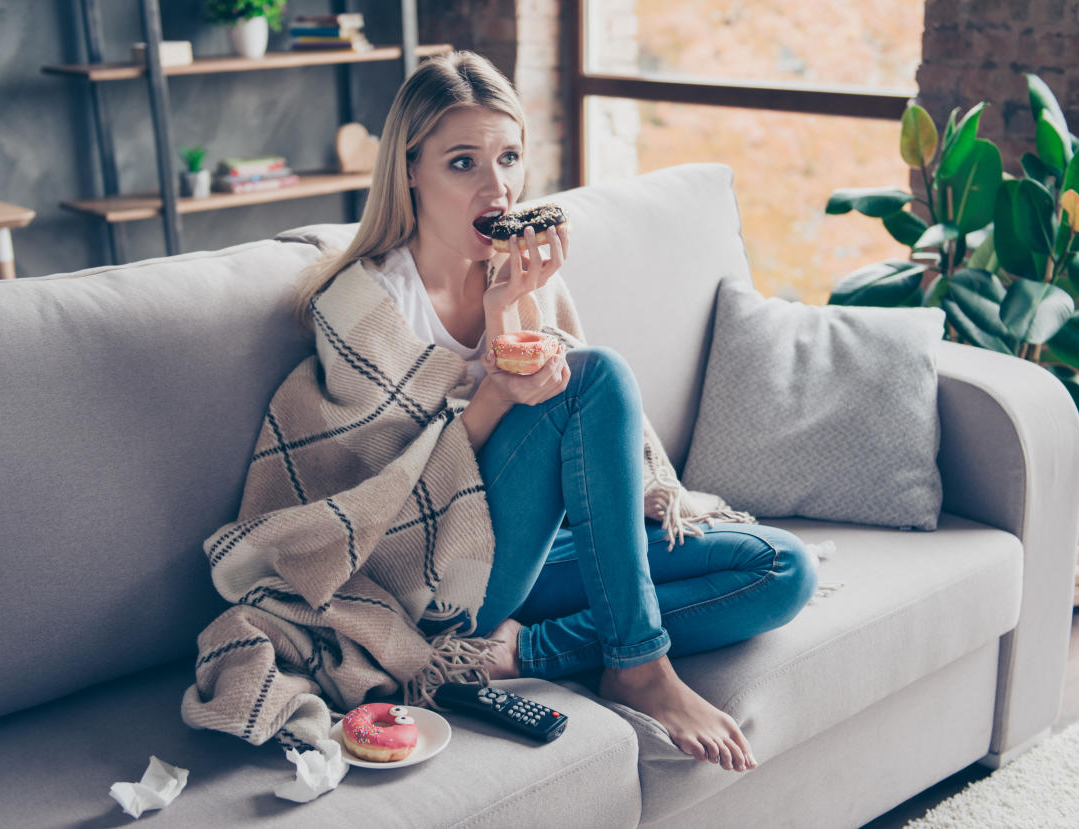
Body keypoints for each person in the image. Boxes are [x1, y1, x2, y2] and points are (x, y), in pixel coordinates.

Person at [291, 51, 818, 773]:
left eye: (509, 157)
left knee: (781, 568)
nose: (498, 186)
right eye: (462, 163)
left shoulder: (523, 274)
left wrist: (512, 310)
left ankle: (530, 650)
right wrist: (502, 386)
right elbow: (390, 507)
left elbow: (573, 462)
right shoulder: (362, 306)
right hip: (436, 574)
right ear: (409, 168)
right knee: (594, 372)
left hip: (532, 561)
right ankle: (640, 664)